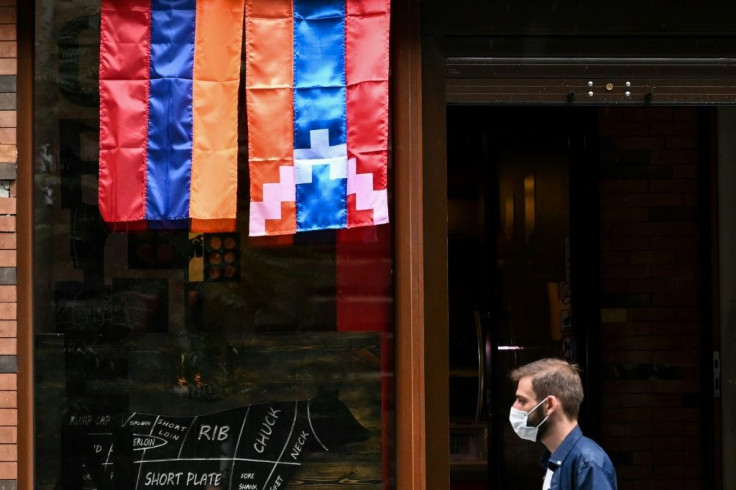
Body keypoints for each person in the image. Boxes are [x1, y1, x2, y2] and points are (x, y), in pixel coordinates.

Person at [509, 358, 617, 490]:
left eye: (522, 400)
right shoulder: (557, 458)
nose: (515, 407)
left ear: (549, 405)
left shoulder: (587, 463)